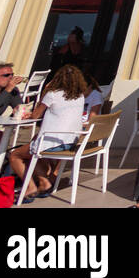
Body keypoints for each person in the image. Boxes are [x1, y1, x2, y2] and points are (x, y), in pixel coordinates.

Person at [8, 65, 90, 200]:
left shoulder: (52, 94)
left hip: (51, 141)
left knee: (15, 155)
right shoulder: (80, 96)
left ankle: (30, 187)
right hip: (70, 141)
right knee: (34, 148)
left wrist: (45, 90)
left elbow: (35, 116)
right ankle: (44, 182)